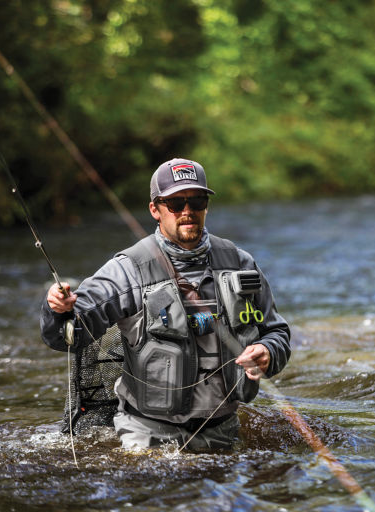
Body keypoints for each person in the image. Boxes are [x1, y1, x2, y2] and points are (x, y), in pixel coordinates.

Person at [40, 157, 291, 451]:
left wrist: (267, 352)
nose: (187, 212)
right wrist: (57, 310)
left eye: (196, 201)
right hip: (147, 435)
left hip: (223, 430)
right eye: (175, 204)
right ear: (155, 210)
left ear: (205, 207)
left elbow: (278, 334)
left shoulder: (240, 263)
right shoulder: (127, 269)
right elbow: (67, 336)